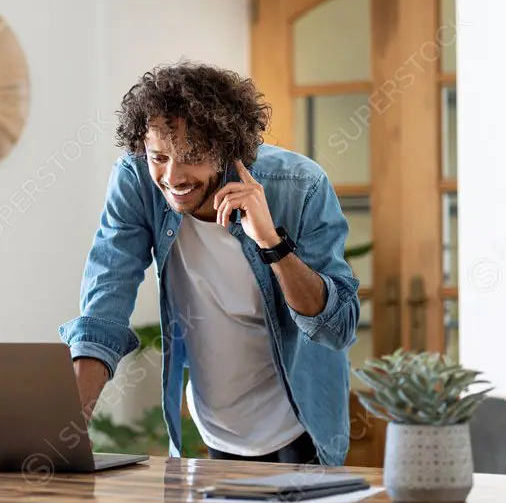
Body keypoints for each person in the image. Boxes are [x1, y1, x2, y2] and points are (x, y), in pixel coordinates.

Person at [59, 61, 360, 466]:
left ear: (227, 147)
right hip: (215, 429)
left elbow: (336, 326)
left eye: (192, 156)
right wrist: (62, 435)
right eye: (159, 156)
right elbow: (105, 304)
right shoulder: (137, 181)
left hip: (303, 425)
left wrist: (270, 243)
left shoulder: (300, 185)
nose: (173, 176)